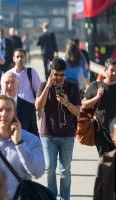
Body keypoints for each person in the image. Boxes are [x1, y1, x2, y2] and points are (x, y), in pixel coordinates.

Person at [0, 95, 44, 199]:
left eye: (8, 110)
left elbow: (38, 172)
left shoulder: (31, 140)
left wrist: (19, 144)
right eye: (0, 110)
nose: (4, 114)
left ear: (14, 113)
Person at [35, 58, 81, 200]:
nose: (59, 78)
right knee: (49, 169)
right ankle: (51, 197)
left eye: (62, 74)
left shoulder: (72, 87)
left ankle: (65, 198)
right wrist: (48, 87)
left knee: (65, 171)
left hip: (67, 134)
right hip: (48, 134)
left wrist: (66, 102)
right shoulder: (44, 86)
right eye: (56, 74)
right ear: (51, 73)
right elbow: (38, 106)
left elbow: (78, 112)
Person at [82, 58, 116, 156]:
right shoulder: (95, 86)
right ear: (105, 70)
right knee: (105, 159)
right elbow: (84, 104)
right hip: (100, 130)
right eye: (112, 70)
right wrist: (97, 97)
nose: (115, 73)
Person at [7, 49, 42, 136]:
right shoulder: (9, 74)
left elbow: (39, 91)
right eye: (17, 57)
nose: (20, 59)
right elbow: (4, 93)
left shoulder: (31, 72)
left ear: (25, 58)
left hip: (29, 109)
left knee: (33, 137)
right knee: (16, 135)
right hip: (14, 109)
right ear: (13, 58)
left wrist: (40, 108)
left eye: (22, 56)